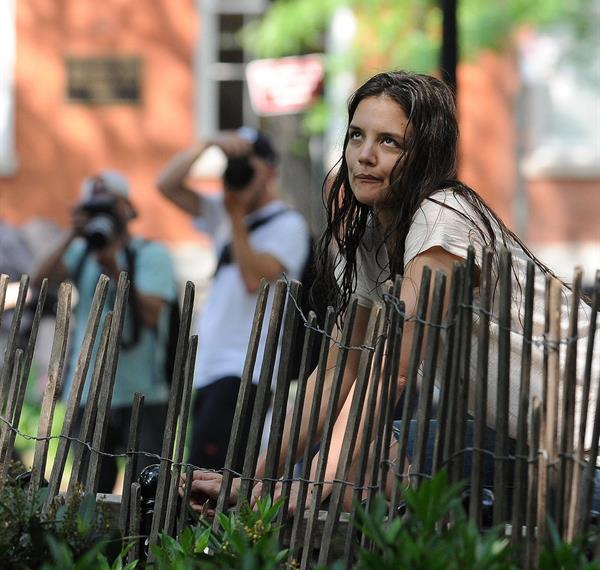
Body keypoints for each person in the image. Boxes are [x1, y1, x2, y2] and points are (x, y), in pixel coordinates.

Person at [183, 70, 596, 514]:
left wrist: (310, 483)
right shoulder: (369, 238)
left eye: (389, 142)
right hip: (517, 434)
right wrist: (251, 480)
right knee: (367, 466)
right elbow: (336, 371)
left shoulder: (444, 218)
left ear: (424, 155)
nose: (364, 155)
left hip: (582, 438)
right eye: (356, 135)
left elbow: (391, 372)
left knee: (361, 472)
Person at [157, 127, 310, 473]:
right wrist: (208, 143)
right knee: (203, 474)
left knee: (211, 478)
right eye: (233, 164)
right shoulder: (224, 213)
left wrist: (237, 215)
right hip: (211, 367)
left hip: (247, 369)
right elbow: (166, 184)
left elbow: (253, 277)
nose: (238, 172)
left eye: (248, 164)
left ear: (271, 170)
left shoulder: (289, 225)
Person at [32, 170, 177, 493]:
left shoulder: (151, 254)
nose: (103, 216)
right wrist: (72, 233)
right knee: (87, 493)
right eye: (93, 207)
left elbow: (151, 316)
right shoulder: (82, 255)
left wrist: (114, 267)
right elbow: (39, 280)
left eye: (108, 207)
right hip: (88, 393)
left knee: (146, 494)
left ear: (127, 208)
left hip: (143, 393)